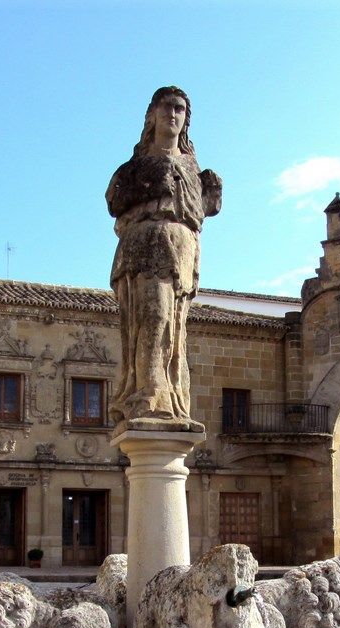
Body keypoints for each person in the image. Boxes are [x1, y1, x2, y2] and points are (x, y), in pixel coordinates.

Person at [106, 86, 221, 427]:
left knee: (175, 329)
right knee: (152, 320)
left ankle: (170, 396)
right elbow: (114, 200)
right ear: (152, 115)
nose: (173, 114)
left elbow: (200, 211)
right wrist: (152, 181)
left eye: (180, 109)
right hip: (147, 245)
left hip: (182, 249)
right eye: (167, 107)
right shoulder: (135, 166)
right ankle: (148, 394)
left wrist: (210, 195)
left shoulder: (191, 166)